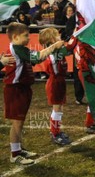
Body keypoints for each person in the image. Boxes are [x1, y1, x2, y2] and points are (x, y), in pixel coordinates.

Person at [4, 22, 64, 165]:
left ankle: (18, 149)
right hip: (15, 89)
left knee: (20, 122)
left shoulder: (20, 48)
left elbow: (37, 59)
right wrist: (54, 46)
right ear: (15, 37)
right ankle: (14, 154)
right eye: (25, 36)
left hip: (22, 88)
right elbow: (38, 57)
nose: (29, 38)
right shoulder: (17, 48)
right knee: (17, 123)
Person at [39, 27, 72, 145]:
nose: (59, 37)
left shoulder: (56, 51)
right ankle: (54, 133)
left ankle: (56, 130)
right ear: (52, 40)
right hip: (55, 82)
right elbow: (67, 51)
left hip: (59, 81)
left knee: (59, 108)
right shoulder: (53, 53)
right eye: (57, 36)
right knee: (57, 108)